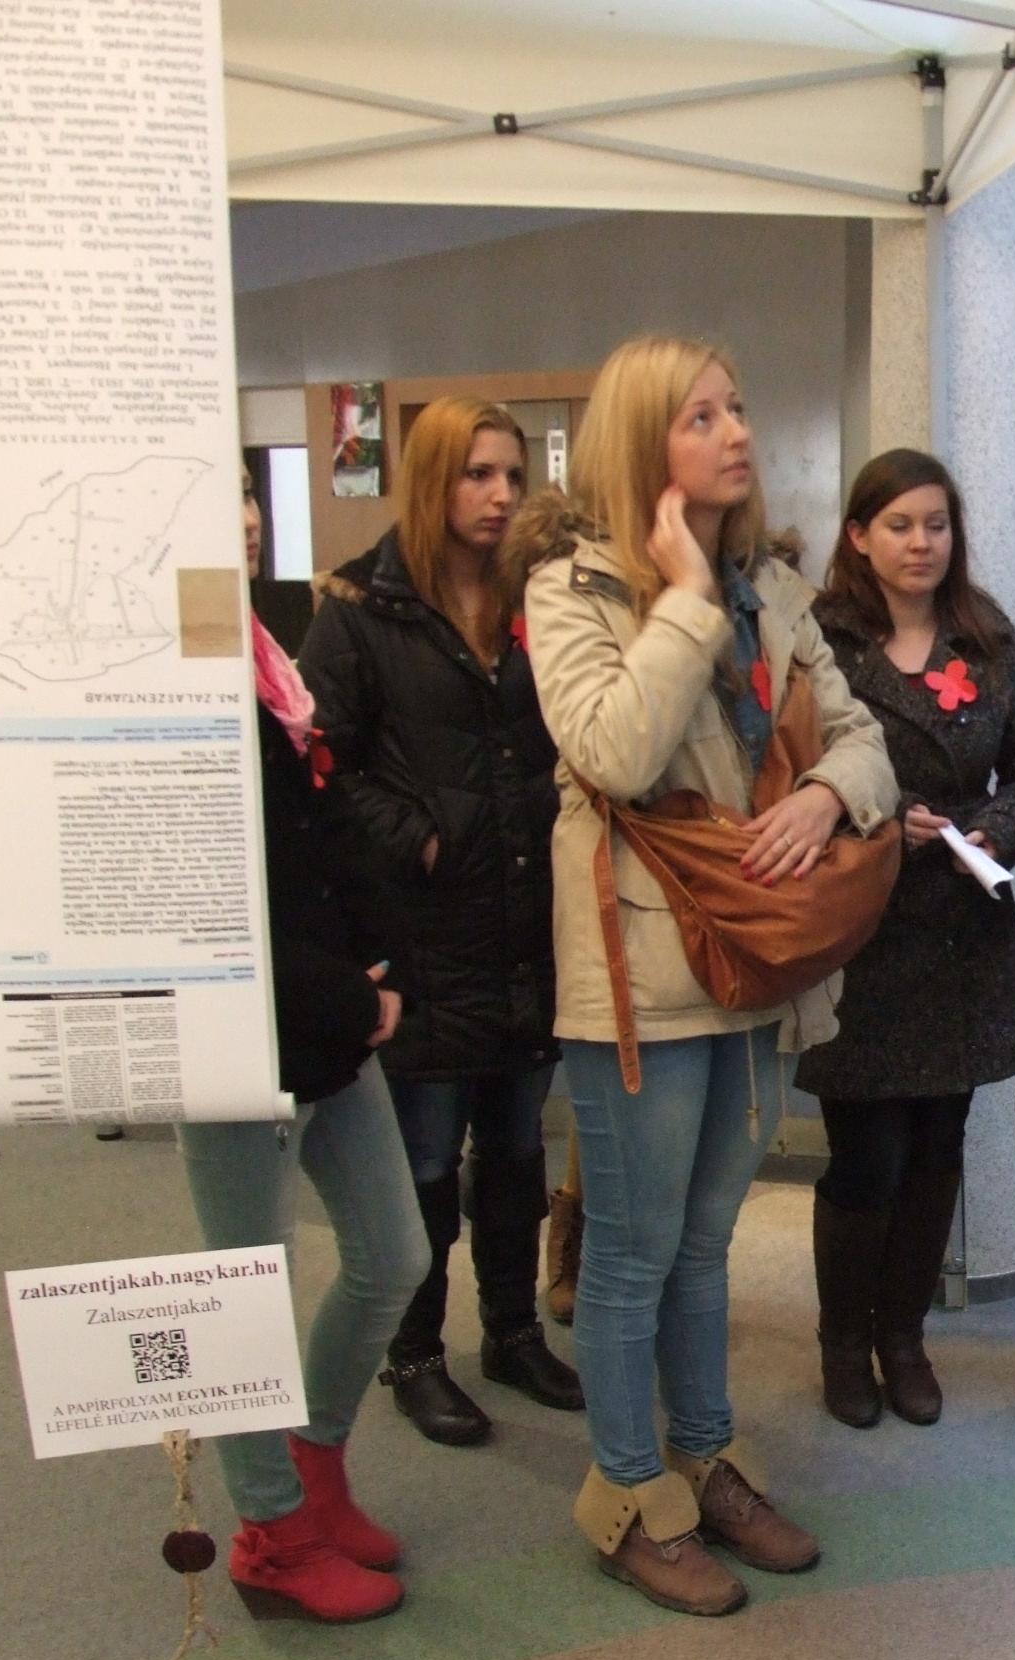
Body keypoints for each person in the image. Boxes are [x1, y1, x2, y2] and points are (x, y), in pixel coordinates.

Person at [515, 334, 897, 1617]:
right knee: (632, 1253)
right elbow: (617, 751)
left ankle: (706, 1456)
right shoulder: (573, 589)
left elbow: (863, 735)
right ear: (642, 444)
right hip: (643, 969)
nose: (736, 432)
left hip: (764, 960)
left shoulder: (774, 587)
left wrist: (827, 797)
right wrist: (682, 592)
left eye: (737, 408)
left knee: (705, 1242)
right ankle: (631, 1495)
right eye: (700, 417)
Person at [301, 397, 581, 1447]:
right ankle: (413, 1353)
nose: (500, 495)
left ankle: (511, 1332)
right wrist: (417, 836)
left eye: (511, 474)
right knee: (424, 1160)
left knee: (513, 1154)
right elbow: (316, 764)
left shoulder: (538, 598)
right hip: (425, 933)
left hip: (527, 926)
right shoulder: (360, 612)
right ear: (430, 481)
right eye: (476, 474)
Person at [179, 472, 430, 1625]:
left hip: (326, 1018)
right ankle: (271, 1535)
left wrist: (380, 964)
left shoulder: (259, 649)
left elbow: (320, 830)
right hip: (234, 1032)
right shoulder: (160, 678)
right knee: (245, 1292)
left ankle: (315, 1467)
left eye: (244, 494)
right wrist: (346, 992)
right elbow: (199, 895)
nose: (243, 518)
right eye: (212, 499)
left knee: (393, 1256)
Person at [793, 450, 1015, 1428]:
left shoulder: (984, 636)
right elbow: (788, 768)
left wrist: (997, 829)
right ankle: (842, 1344)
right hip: (858, 932)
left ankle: (903, 1339)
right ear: (859, 536)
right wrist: (876, 813)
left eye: (936, 525)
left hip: (960, 929)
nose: (921, 543)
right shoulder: (820, 641)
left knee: (938, 1149)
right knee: (866, 1158)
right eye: (900, 525)